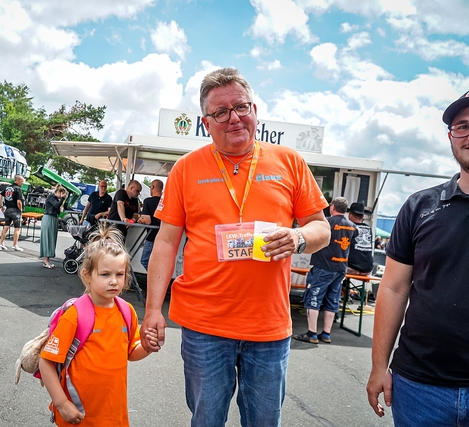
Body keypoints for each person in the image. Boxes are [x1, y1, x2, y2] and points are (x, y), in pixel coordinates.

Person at [139, 67, 331, 427]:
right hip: (203, 326)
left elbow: (321, 227)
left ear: (255, 109)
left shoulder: (289, 162)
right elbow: (165, 243)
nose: (234, 118)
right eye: (220, 112)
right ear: (206, 122)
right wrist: (152, 310)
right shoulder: (185, 170)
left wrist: (298, 238)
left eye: (241, 107)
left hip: (268, 327)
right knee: (206, 420)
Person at [366, 91, 469, 426]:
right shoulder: (420, 207)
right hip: (419, 386)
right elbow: (394, 288)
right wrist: (379, 366)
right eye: (462, 126)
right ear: (451, 137)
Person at [39, 225, 157, 426]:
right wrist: (62, 404)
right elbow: (46, 363)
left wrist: (146, 347)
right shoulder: (76, 314)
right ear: (87, 275)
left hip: (113, 414)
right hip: (78, 414)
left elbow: (131, 352)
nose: (114, 281)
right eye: (105, 275)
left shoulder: (126, 311)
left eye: (119, 274)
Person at [293, 197, 357, 344]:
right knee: (333, 300)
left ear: (332, 207)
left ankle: (312, 333)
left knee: (313, 298)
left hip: (323, 266)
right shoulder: (352, 226)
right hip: (341, 268)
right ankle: (326, 334)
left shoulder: (326, 223)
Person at [136, 179, 163, 270]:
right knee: (159, 261)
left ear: (152, 187)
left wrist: (139, 219)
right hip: (164, 238)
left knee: (145, 260)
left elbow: (147, 220)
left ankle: (155, 279)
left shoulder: (148, 201)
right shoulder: (166, 202)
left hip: (151, 237)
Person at [40, 184, 67, 268]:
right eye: (61, 194)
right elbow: (56, 205)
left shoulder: (54, 198)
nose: (61, 196)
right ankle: (46, 261)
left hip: (53, 218)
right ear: (58, 192)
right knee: (48, 238)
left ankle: (47, 260)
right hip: (49, 218)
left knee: (51, 239)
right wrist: (62, 198)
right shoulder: (51, 197)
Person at [0, 175, 25, 251]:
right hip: (15, 210)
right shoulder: (18, 189)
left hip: (8, 209)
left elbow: (0, 195)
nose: (23, 183)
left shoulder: (7, 188)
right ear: (18, 180)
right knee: (17, 228)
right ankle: (15, 245)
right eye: (22, 181)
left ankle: (1, 243)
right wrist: (21, 210)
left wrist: (1, 205)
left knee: (6, 226)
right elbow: (19, 201)